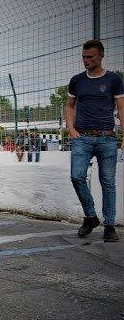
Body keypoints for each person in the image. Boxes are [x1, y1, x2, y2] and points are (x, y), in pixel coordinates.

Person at [66, 39, 124, 243]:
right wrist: (71, 128)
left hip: (107, 138)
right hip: (82, 137)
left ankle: (109, 227)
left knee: (108, 183)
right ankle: (91, 217)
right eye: (83, 57)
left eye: (90, 57)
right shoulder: (77, 80)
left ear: (101, 56)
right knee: (76, 177)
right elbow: (70, 106)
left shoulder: (114, 80)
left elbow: (122, 108)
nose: (86, 60)